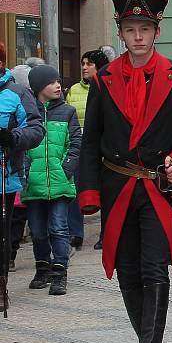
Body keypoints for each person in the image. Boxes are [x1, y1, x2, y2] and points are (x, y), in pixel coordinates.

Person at [78, 0, 172, 343]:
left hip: (156, 190)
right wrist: (90, 192)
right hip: (118, 191)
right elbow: (90, 142)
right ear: (120, 32)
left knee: (155, 268)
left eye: (144, 29)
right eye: (130, 28)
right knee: (128, 270)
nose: (137, 36)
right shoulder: (102, 82)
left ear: (156, 31)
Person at [23, 64, 81, 296]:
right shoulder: (27, 113)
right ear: (38, 87)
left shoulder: (67, 112)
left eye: (58, 81)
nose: (58, 85)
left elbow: (75, 144)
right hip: (33, 183)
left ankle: (59, 273)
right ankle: (42, 268)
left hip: (60, 181)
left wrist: (65, 169)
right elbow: (22, 143)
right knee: (37, 231)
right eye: (51, 82)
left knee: (58, 228)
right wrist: (26, 171)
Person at [0, 41, 44, 312]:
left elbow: (36, 129)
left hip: (4, 178)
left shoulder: (17, 92)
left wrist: (11, 137)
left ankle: (0, 287)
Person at [65, 48, 110, 251]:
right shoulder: (74, 90)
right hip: (77, 148)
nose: (84, 67)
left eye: (89, 64)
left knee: (106, 193)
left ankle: (105, 233)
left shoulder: (108, 87)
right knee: (75, 191)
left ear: (99, 66)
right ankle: (76, 233)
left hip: (102, 149)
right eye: (83, 63)